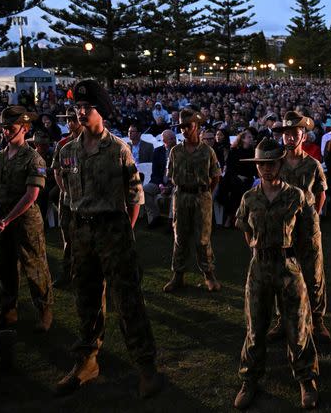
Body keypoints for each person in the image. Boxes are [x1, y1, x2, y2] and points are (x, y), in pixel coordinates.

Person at [52, 80, 163, 398]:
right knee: (85, 300)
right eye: (77, 108)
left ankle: (146, 367)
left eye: (87, 108)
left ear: (100, 110)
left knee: (128, 303)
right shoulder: (68, 149)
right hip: (81, 232)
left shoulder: (117, 148)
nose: (81, 113)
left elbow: (134, 196)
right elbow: (65, 185)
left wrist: (124, 232)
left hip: (113, 232)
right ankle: (86, 362)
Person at [232, 138, 319, 410]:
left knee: (298, 328)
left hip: (289, 266)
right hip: (259, 266)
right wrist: (261, 251)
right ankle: (249, 379)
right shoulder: (249, 197)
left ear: (280, 164)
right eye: (261, 164)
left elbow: (306, 236)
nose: (266, 169)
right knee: (256, 328)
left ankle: (306, 380)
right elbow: (246, 229)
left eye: (271, 164)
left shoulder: (296, 195)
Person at [0, 106, 53, 333]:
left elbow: (31, 195)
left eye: (10, 128)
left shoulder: (34, 158)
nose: (5, 132)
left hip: (25, 222)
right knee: (4, 267)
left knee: (35, 267)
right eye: (3, 128)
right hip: (2, 222)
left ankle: (44, 311)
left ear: (24, 129)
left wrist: (7, 219)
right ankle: (8, 312)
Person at [269, 111, 330, 343]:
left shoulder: (313, 164)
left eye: (294, 134)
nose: (290, 138)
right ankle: (282, 319)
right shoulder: (275, 164)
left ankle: (317, 320)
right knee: (282, 271)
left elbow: (320, 193)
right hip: (283, 226)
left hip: (307, 224)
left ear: (303, 135)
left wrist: (314, 214)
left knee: (313, 272)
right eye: (286, 134)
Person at [163, 108, 222, 293]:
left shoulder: (208, 151)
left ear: (196, 125)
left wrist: (205, 194)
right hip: (181, 196)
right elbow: (170, 175)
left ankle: (209, 274)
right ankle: (178, 275)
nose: (184, 130)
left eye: (188, 126)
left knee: (202, 238)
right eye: (181, 127)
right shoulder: (175, 151)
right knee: (179, 237)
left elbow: (215, 177)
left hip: (201, 196)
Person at [51, 107, 83, 287]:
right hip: (68, 199)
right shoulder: (62, 143)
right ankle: (67, 272)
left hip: (87, 200)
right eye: (68, 120)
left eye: (74, 119)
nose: (71, 123)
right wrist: (66, 192)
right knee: (68, 238)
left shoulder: (90, 143)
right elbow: (57, 171)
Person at [142, 129, 176, 228]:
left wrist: (170, 186)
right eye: (171, 139)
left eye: (174, 138)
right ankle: (155, 216)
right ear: (164, 140)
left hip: (175, 183)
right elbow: (155, 172)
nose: (174, 140)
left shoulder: (179, 152)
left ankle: (171, 221)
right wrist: (160, 185)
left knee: (176, 192)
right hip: (160, 182)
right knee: (144, 190)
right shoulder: (158, 151)